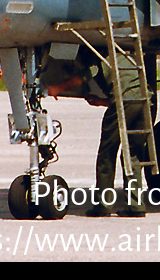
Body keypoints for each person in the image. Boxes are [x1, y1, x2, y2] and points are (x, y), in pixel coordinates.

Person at [44, 47, 149, 218]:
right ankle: (136, 205)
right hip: (145, 100)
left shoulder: (96, 53)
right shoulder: (126, 51)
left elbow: (86, 75)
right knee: (133, 154)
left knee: (107, 153)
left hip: (124, 101)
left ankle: (103, 205)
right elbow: (129, 93)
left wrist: (57, 88)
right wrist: (102, 101)